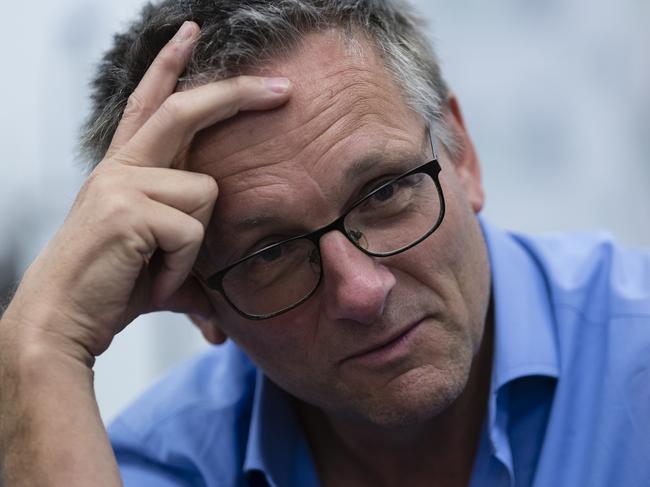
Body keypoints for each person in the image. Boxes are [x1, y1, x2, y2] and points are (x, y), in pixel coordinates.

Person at [0, 0, 648, 486]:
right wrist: (40, 344)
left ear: (463, 155)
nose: (362, 292)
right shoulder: (155, 466)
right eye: (270, 253)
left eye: (385, 192)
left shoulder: (635, 352)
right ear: (200, 301)